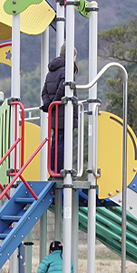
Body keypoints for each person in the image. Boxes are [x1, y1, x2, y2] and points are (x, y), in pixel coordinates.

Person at [40, 44, 77, 177]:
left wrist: (49, 104)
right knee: (63, 142)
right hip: (64, 112)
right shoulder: (66, 71)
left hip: (54, 114)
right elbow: (63, 89)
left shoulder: (51, 73)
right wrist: (56, 102)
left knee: (55, 141)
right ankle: (62, 170)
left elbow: (44, 92)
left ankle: (53, 170)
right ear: (71, 56)